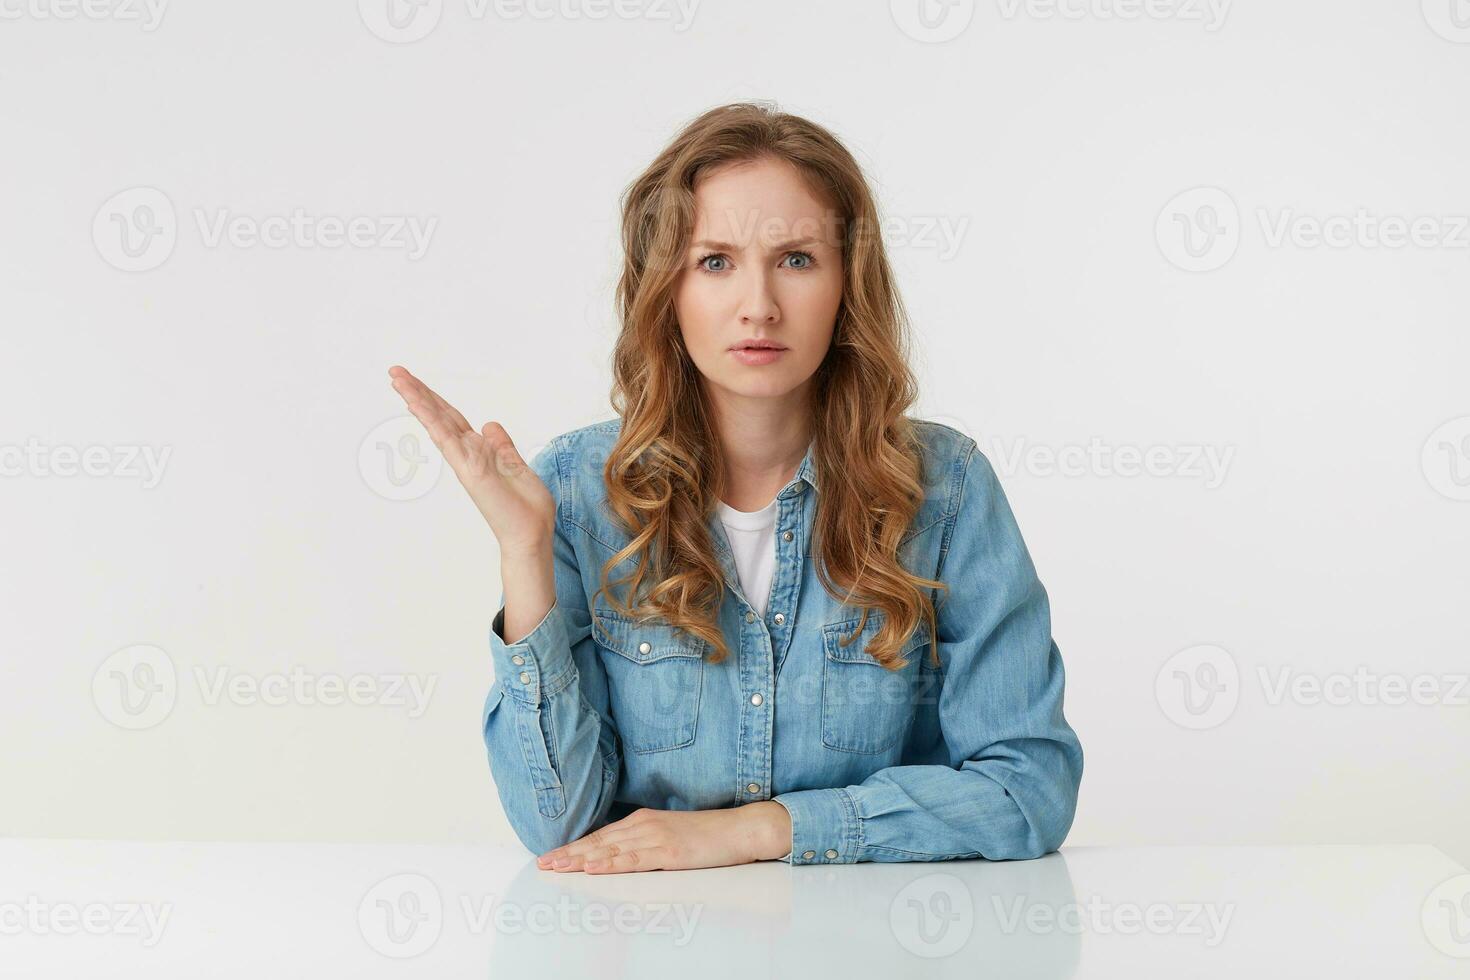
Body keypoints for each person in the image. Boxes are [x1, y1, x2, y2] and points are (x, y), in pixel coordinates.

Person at [388, 101, 1083, 874]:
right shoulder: (574, 491)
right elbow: (558, 826)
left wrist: (760, 830)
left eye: (796, 259)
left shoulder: (945, 490)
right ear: (668, 290)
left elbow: (1029, 791)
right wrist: (524, 557)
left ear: (848, 284)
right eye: (715, 261)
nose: (759, 305)